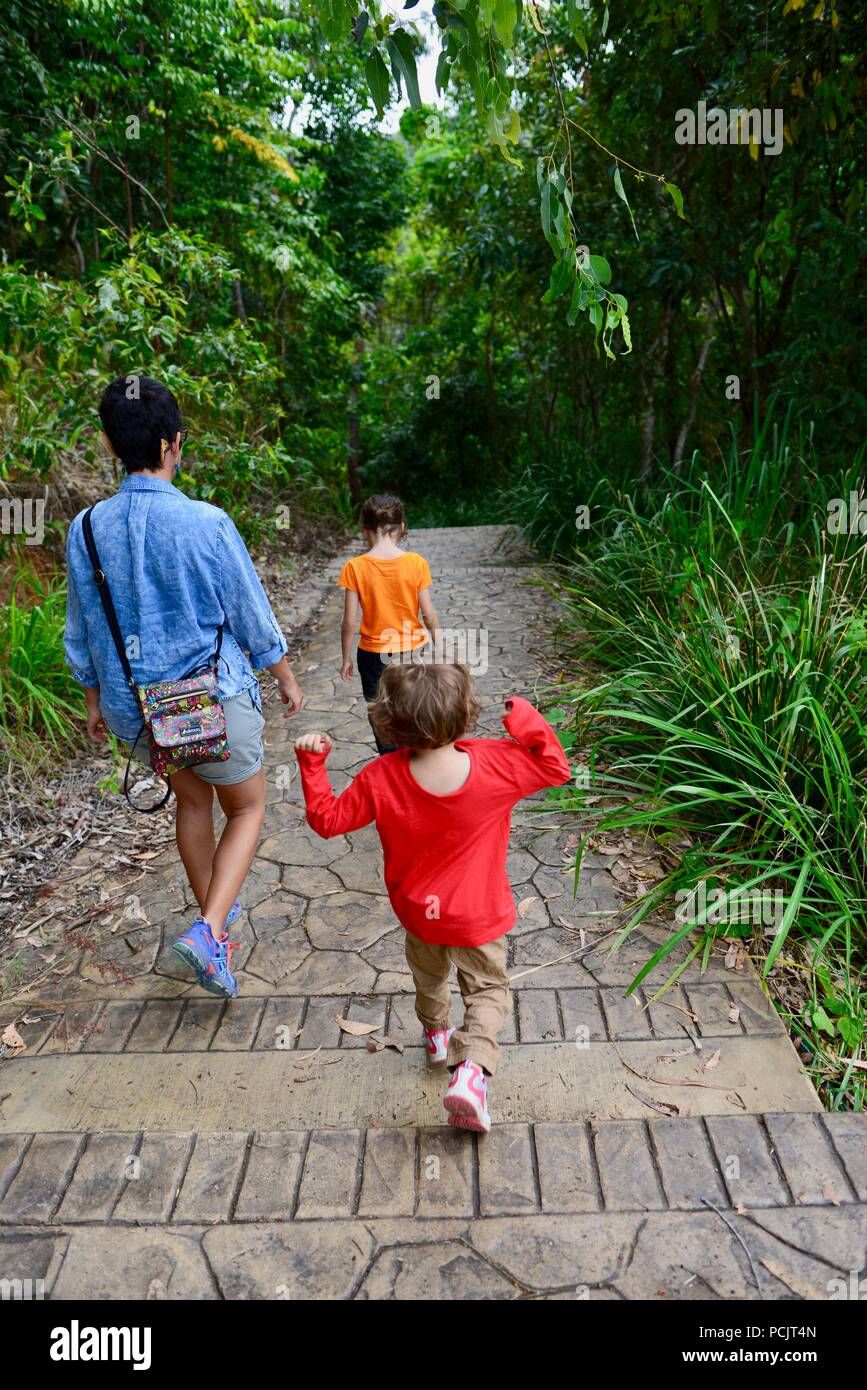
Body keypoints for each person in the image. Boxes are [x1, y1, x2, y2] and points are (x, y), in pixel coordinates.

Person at [63, 375, 305, 1000]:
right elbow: (249, 611)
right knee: (248, 807)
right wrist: (282, 673)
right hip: (210, 705)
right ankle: (210, 930)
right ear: (175, 444)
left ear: (110, 445)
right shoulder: (207, 522)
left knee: (193, 804)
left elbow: (83, 626)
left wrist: (93, 700)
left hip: (138, 709)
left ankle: (213, 939)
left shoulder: (86, 528)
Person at [294, 661, 571, 1132]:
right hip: (478, 915)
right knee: (487, 991)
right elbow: (555, 768)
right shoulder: (497, 763)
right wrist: (522, 715)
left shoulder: (380, 777)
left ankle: (437, 1037)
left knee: (430, 977)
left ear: (386, 722)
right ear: (466, 716)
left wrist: (312, 765)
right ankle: (469, 1071)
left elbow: (327, 821)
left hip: (420, 914)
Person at [338, 493, 440, 753]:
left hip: (373, 654)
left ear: (365, 531)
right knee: (415, 703)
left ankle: (389, 760)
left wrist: (345, 658)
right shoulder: (416, 563)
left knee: (380, 707)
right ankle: (419, 755)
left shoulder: (355, 567)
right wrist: (438, 643)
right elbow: (428, 613)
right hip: (412, 651)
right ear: (402, 528)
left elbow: (349, 621)